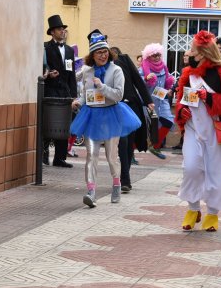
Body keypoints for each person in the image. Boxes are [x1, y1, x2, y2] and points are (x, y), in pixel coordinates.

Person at [175, 30, 221, 232]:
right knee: (191, 168)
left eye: (193, 50)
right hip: (193, 129)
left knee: (217, 172)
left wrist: (209, 97)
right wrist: (182, 112)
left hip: (216, 130)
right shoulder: (188, 74)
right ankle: (193, 207)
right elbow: (181, 100)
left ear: (203, 53)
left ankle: (212, 213)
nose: (189, 53)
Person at [70, 31, 141, 207]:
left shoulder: (116, 70)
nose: (103, 55)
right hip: (91, 115)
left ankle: (116, 183)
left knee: (111, 156)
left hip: (111, 114)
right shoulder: (87, 71)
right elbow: (86, 95)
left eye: (105, 51)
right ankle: (91, 192)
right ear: (92, 55)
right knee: (91, 156)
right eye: (98, 52)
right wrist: (78, 101)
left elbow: (118, 95)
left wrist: (101, 86)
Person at [112, 45, 154, 193]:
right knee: (122, 142)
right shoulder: (103, 65)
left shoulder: (124, 59)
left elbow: (137, 80)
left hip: (132, 106)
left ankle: (125, 175)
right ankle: (124, 179)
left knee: (129, 143)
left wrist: (148, 100)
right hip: (116, 107)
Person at [43, 15, 77, 168]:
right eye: (59, 29)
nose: (62, 31)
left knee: (64, 124)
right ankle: (43, 156)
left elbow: (72, 73)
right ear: (52, 32)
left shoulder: (69, 50)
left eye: (63, 29)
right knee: (47, 123)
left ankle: (60, 158)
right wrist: (48, 74)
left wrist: (73, 95)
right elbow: (41, 66)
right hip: (50, 90)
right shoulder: (45, 47)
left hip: (65, 92)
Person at [140, 43, 176, 159]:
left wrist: (169, 87)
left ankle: (155, 146)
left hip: (162, 100)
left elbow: (168, 80)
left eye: (158, 55)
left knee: (168, 121)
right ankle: (130, 153)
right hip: (149, 102)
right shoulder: (143, 68)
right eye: (154, 55)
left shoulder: (163, 67)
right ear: (148, 56)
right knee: (143, 128)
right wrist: (146, 78)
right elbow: (137, 82)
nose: (156, 57)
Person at [172, 50, 190, 151]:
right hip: (183, 96)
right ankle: (182, 141)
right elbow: (179, 82)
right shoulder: (183, 69)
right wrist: (172, 89)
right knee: (182, 119)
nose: (185, 57)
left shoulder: (192, 68)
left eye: (187, 56)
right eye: (184, 56)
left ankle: (184, 142)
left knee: (187, 120)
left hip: (190, 95)